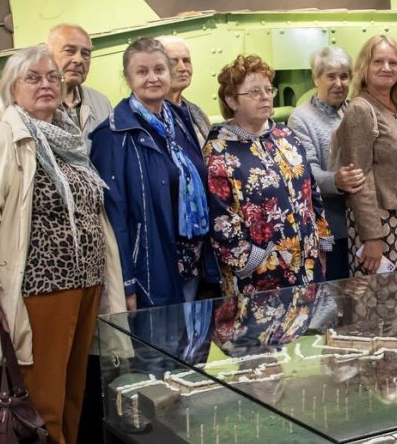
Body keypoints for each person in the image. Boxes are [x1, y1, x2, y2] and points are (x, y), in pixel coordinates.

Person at [0, 46, 128, 444]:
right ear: (12, 88)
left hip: (85, 284)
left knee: (74, 390)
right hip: (40, 288)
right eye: (32, 78)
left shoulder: (68, 137)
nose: (46, 85)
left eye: (52, 77)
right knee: (44, 396)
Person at [90, 37, 217, 308]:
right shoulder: (112, 134)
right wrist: (126, 282)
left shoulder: (179, 119)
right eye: (142, 71)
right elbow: (114, 216)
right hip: (151, 269)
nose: (152, 78)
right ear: (128, 78)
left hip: (194, 263)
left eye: (159, 69)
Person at [204, 54, 332, 295]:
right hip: (259, 279)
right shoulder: (219, 151)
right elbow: (220, 220)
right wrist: (254, 261)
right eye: (254, 91)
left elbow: (310, 191)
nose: (265, 96)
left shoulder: (286, 136)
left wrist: (321, 243)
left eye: (268, 89)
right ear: (231, 100)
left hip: (308, 266)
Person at [332, 35, 397, 275]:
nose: (387, 68)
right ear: (365, 67)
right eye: (378, 62)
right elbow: (359, 177)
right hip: (381, 226)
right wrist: (372, 237)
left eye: (393, 63)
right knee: (379, 296)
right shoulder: (361, 109)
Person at [288, 46, 366, 281]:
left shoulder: (355, 110)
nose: (339, 83)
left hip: (361, 226)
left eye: (344, 76)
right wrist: (336, 181)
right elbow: (306, 172)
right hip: (331, 229)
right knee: (335, 293)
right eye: (331, 76)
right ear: (316, 78)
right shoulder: (301, 118)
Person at [158, 35, 214, 145]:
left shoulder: (196, 112)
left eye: (186, 61)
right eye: (173, 62)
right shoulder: (149, 117)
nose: (183, 68)